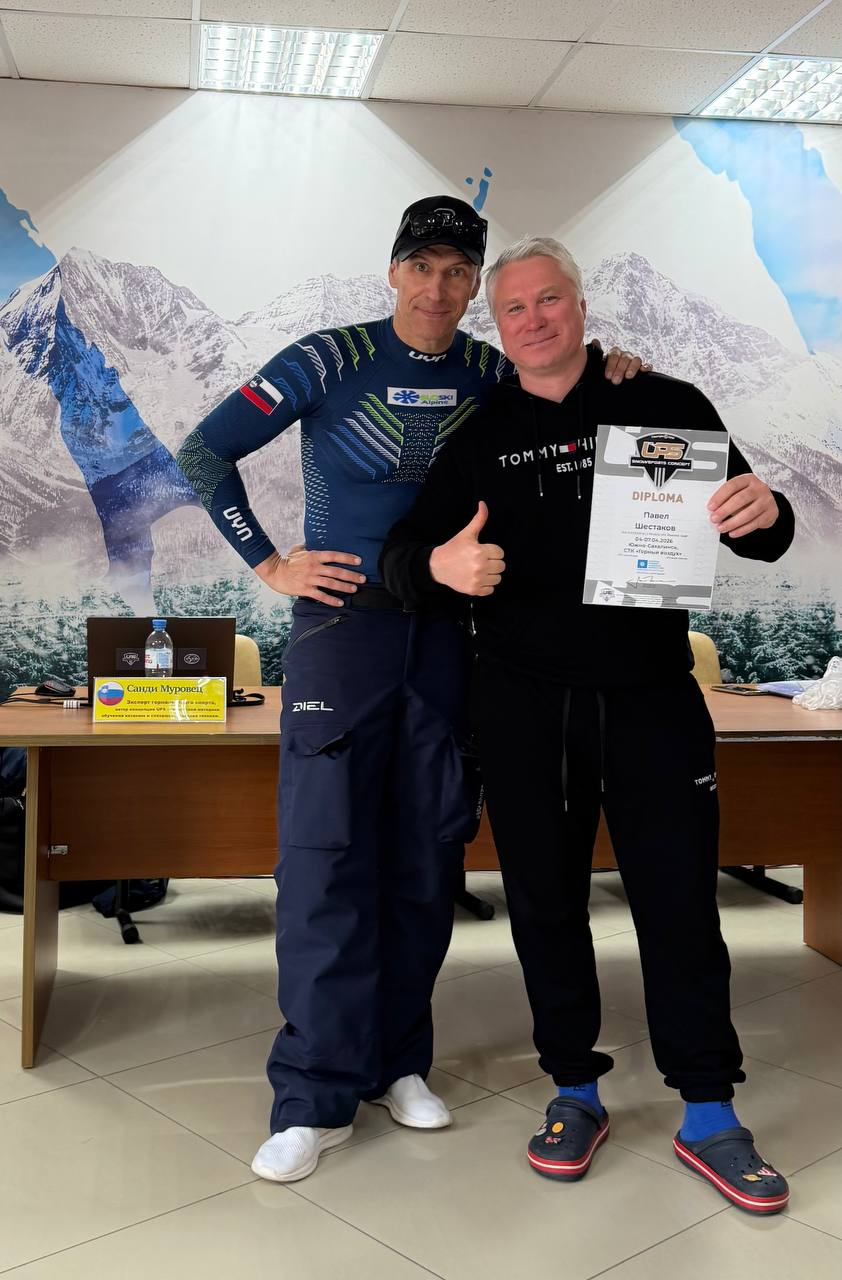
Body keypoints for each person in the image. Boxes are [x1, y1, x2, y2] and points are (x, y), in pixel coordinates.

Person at [176, 203, 647, 1184]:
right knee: (325, 861)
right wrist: (269, 563)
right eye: (421, 265)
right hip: (339, 636)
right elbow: (203, 452)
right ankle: (312, 1095)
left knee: (426, 857)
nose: (438, 287)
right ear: (393, 271)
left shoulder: (486, 372)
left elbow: (565, 409)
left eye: (457, 271)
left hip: (447, 639)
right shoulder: (326, 359)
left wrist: (619, 375)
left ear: (474, 284)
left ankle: (398, 1062)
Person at [380, 236, 795, 1214]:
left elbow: (763, 536)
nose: (533, 319)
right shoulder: (481, 433)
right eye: (513, 307)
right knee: (545, 904)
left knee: (679, 904)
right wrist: (439, 567)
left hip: (652, 700)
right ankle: (574, 1089)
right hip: (522, 706)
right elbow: (403, 555)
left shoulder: (664, 403)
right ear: (497, 324)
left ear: (578, 303)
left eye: (548, 299)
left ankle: (708, 1109)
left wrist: (765, 506)